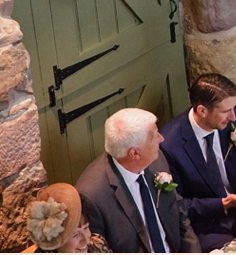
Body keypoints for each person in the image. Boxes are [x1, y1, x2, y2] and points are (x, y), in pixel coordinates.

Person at [159, 74, 236, 251]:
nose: (233, 117)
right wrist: (222, 204)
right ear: (202, 110)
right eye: (226, 111)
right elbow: (177, 205)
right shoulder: (170, 145)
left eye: (233, 109)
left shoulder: (231, 119)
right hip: (206, 225)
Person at [76, 107, 201, 252]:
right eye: (154, 136)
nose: (162, 138)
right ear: (135, 153)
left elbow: (179, 214)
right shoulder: (93, 196)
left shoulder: (156, 159)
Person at [26, 183, 110, 253]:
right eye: (75, 235)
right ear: (54, 242)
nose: (86, 240)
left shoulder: (97, 245)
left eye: (86, 227)